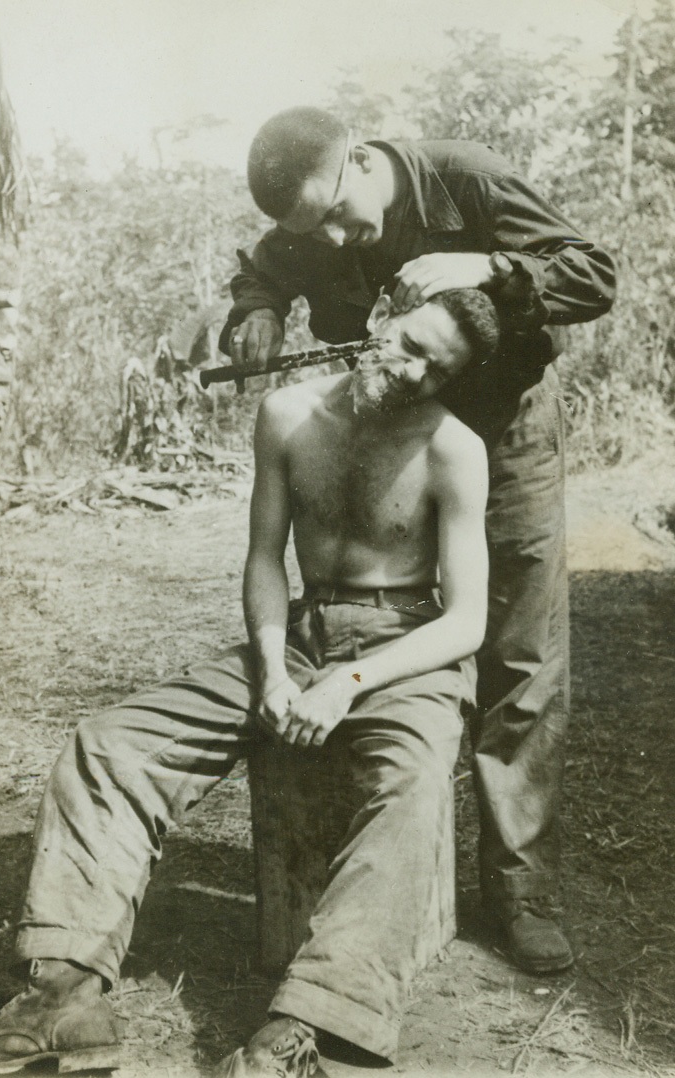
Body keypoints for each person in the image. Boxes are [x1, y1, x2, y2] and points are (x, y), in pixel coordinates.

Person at [0, 287, 495, 1075]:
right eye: (409, 341)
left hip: (404, 652)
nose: (409, 368)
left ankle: (306, 1032)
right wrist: (269, 668)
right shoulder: (289, 415)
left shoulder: (453, 447)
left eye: (433, 367)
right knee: (110, 748)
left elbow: (465, 622)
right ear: (378, 319)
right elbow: (265, 557)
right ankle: (63, 999)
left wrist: (349, 682)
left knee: (414, 788)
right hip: (296, 636)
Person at [221, 106, 617, 975]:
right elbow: (267, 265)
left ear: (360, 158)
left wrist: (493, 263)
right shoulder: (311, 219)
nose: (331, 237)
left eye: (335, 214)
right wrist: (256, 308)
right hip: (392, 427)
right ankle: (375, 843)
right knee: (392, 618)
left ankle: (519, 890)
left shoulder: (464, 177)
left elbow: (593, 274)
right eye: (310, 229)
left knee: (518, 647)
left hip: (501, 427)